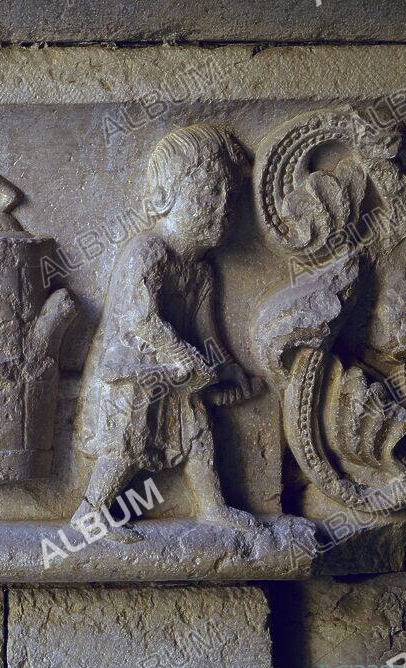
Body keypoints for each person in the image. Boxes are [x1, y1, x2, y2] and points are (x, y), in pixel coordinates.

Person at [73, 125, 263, 543]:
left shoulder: (200, 269)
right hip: (130, 369)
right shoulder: (149, 251)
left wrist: (228, 369)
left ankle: (212, 506)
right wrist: (186, 358)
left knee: (198, 432)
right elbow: (141, 320)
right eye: (209, 193)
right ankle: (89, 514)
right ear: (164, 196)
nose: (221, 208)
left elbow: (206, 330)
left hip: (173, 371)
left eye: (230, 198)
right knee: (125, 443)